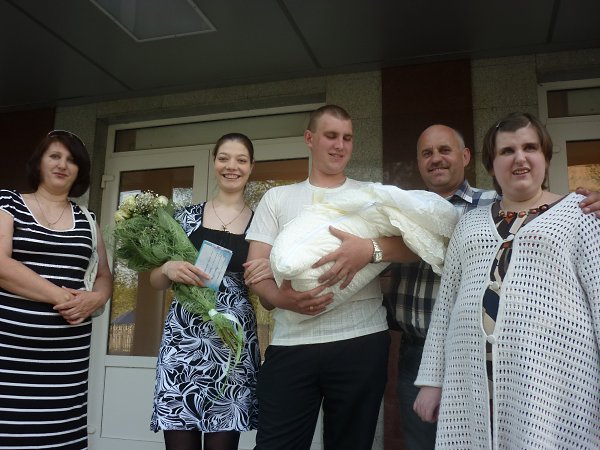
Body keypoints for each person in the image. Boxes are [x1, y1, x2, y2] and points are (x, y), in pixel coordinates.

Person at [386, 124, 600, 450]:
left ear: (545, 157)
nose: (520, 158)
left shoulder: (581, 214)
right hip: (472, 381)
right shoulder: (471, 223)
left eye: (530, 148)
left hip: (552, 383)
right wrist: (431, 380)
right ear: (491, 164)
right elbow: (446, 306)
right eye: (507, 151)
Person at [245, 104, 419, 450]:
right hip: (291, 344)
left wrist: (369, 249)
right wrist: (281, 298)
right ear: (310, 139)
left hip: (361, 340)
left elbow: (415, 246)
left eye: (347, 138)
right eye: (331, 136)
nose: (340, 145)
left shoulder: (372, 195)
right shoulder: (277, 198)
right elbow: (255, 270)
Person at [149, 133, 271, 450]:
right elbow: (155, 281)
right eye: (224, 158)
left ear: (251, 167)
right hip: (183, 344)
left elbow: (269, 300)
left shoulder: (262, 227)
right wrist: (167, 269)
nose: (232, 166)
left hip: (231, 346)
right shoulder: (185, 218)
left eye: (241, 160)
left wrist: (269, 273)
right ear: (214, 162)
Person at [0, 130, 112, 448]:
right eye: (55, 156)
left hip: (66, 358)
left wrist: (96, 299)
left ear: (80, 170)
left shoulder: (88, 219)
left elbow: (104, 275)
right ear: (39, 162)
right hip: (9, 350)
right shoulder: (8, 202)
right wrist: (63, 298)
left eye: (71, 160)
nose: (63, 164)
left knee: (57, 437)